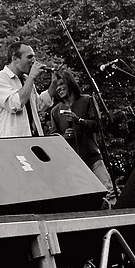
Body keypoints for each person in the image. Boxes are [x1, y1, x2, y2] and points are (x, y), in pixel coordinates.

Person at [48, 68, 117, 208]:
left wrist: (78, 120)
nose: (59, 88)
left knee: (109, 192)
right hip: (73, 164)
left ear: (70, 83)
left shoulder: (87, 100)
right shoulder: (55, 111)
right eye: (57, 86)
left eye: (62, 84)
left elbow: (97, 125)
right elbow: (53, 139)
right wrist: (63, 136)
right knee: (84, 199)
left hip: (92, 158)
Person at [0, 42, 59, 138]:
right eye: (29, 57)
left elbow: (38, 106)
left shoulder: (26, 80)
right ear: (15, 59)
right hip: (12, 143)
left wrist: (54, 84)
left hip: (33, 139)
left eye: (34, 57)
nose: (33, 61)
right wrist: (32, 77)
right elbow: (16, 104)